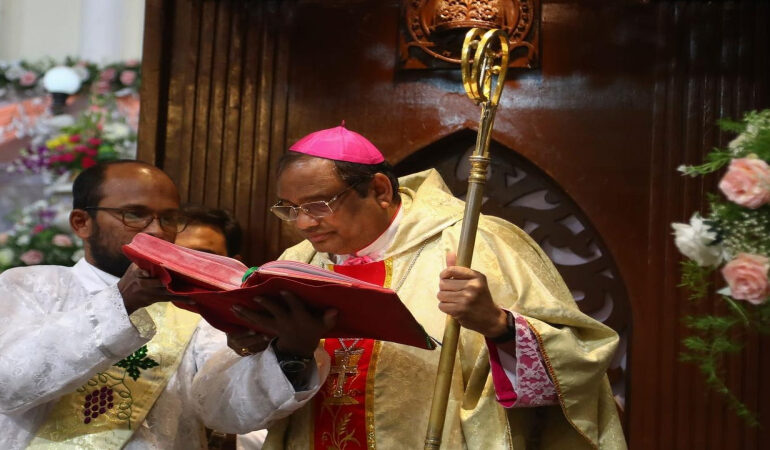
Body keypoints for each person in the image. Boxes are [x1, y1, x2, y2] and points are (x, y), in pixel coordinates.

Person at [191, 125, 626, 449]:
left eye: (319, 204)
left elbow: (581, 361)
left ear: (379, 190)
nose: (304, 223)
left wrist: (498, 326)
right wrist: (270, 349)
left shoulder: (477, 242)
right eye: (290, 209)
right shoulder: (296, 263)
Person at [0, 160, 231, 449]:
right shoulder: (29, 286)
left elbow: (231, 412)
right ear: (81, 223)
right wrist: (121, 301)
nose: (157, 232)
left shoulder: (192, 308)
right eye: (135, 214)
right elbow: (7, 384)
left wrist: (286, 355)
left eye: (169, 218)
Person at [174, 204, 268, 450]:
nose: (184, 265)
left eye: (202, 255)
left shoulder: (244, 318)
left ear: (233, 263)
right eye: (176, 254)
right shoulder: (135, 306)